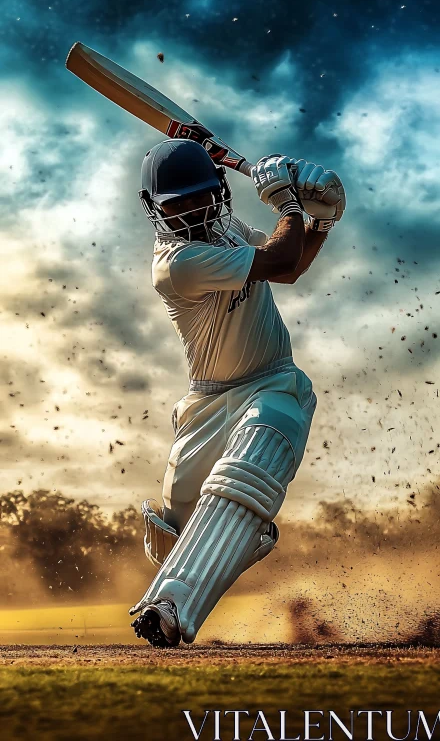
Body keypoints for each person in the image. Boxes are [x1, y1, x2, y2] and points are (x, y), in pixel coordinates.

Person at [129, 138, 345, 647]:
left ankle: (168, 609)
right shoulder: (177, 261)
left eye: (200, 196)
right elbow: (279, 258)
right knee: (175, 534)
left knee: (251, 462)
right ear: (154, 210)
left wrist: (322, 221)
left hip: (272, 382)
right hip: (206, 403)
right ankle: (246, 535)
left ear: (218, 190)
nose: (190, 211)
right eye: (176, 204)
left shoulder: (225, 229)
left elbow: (290, 264)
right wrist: (290, 203)